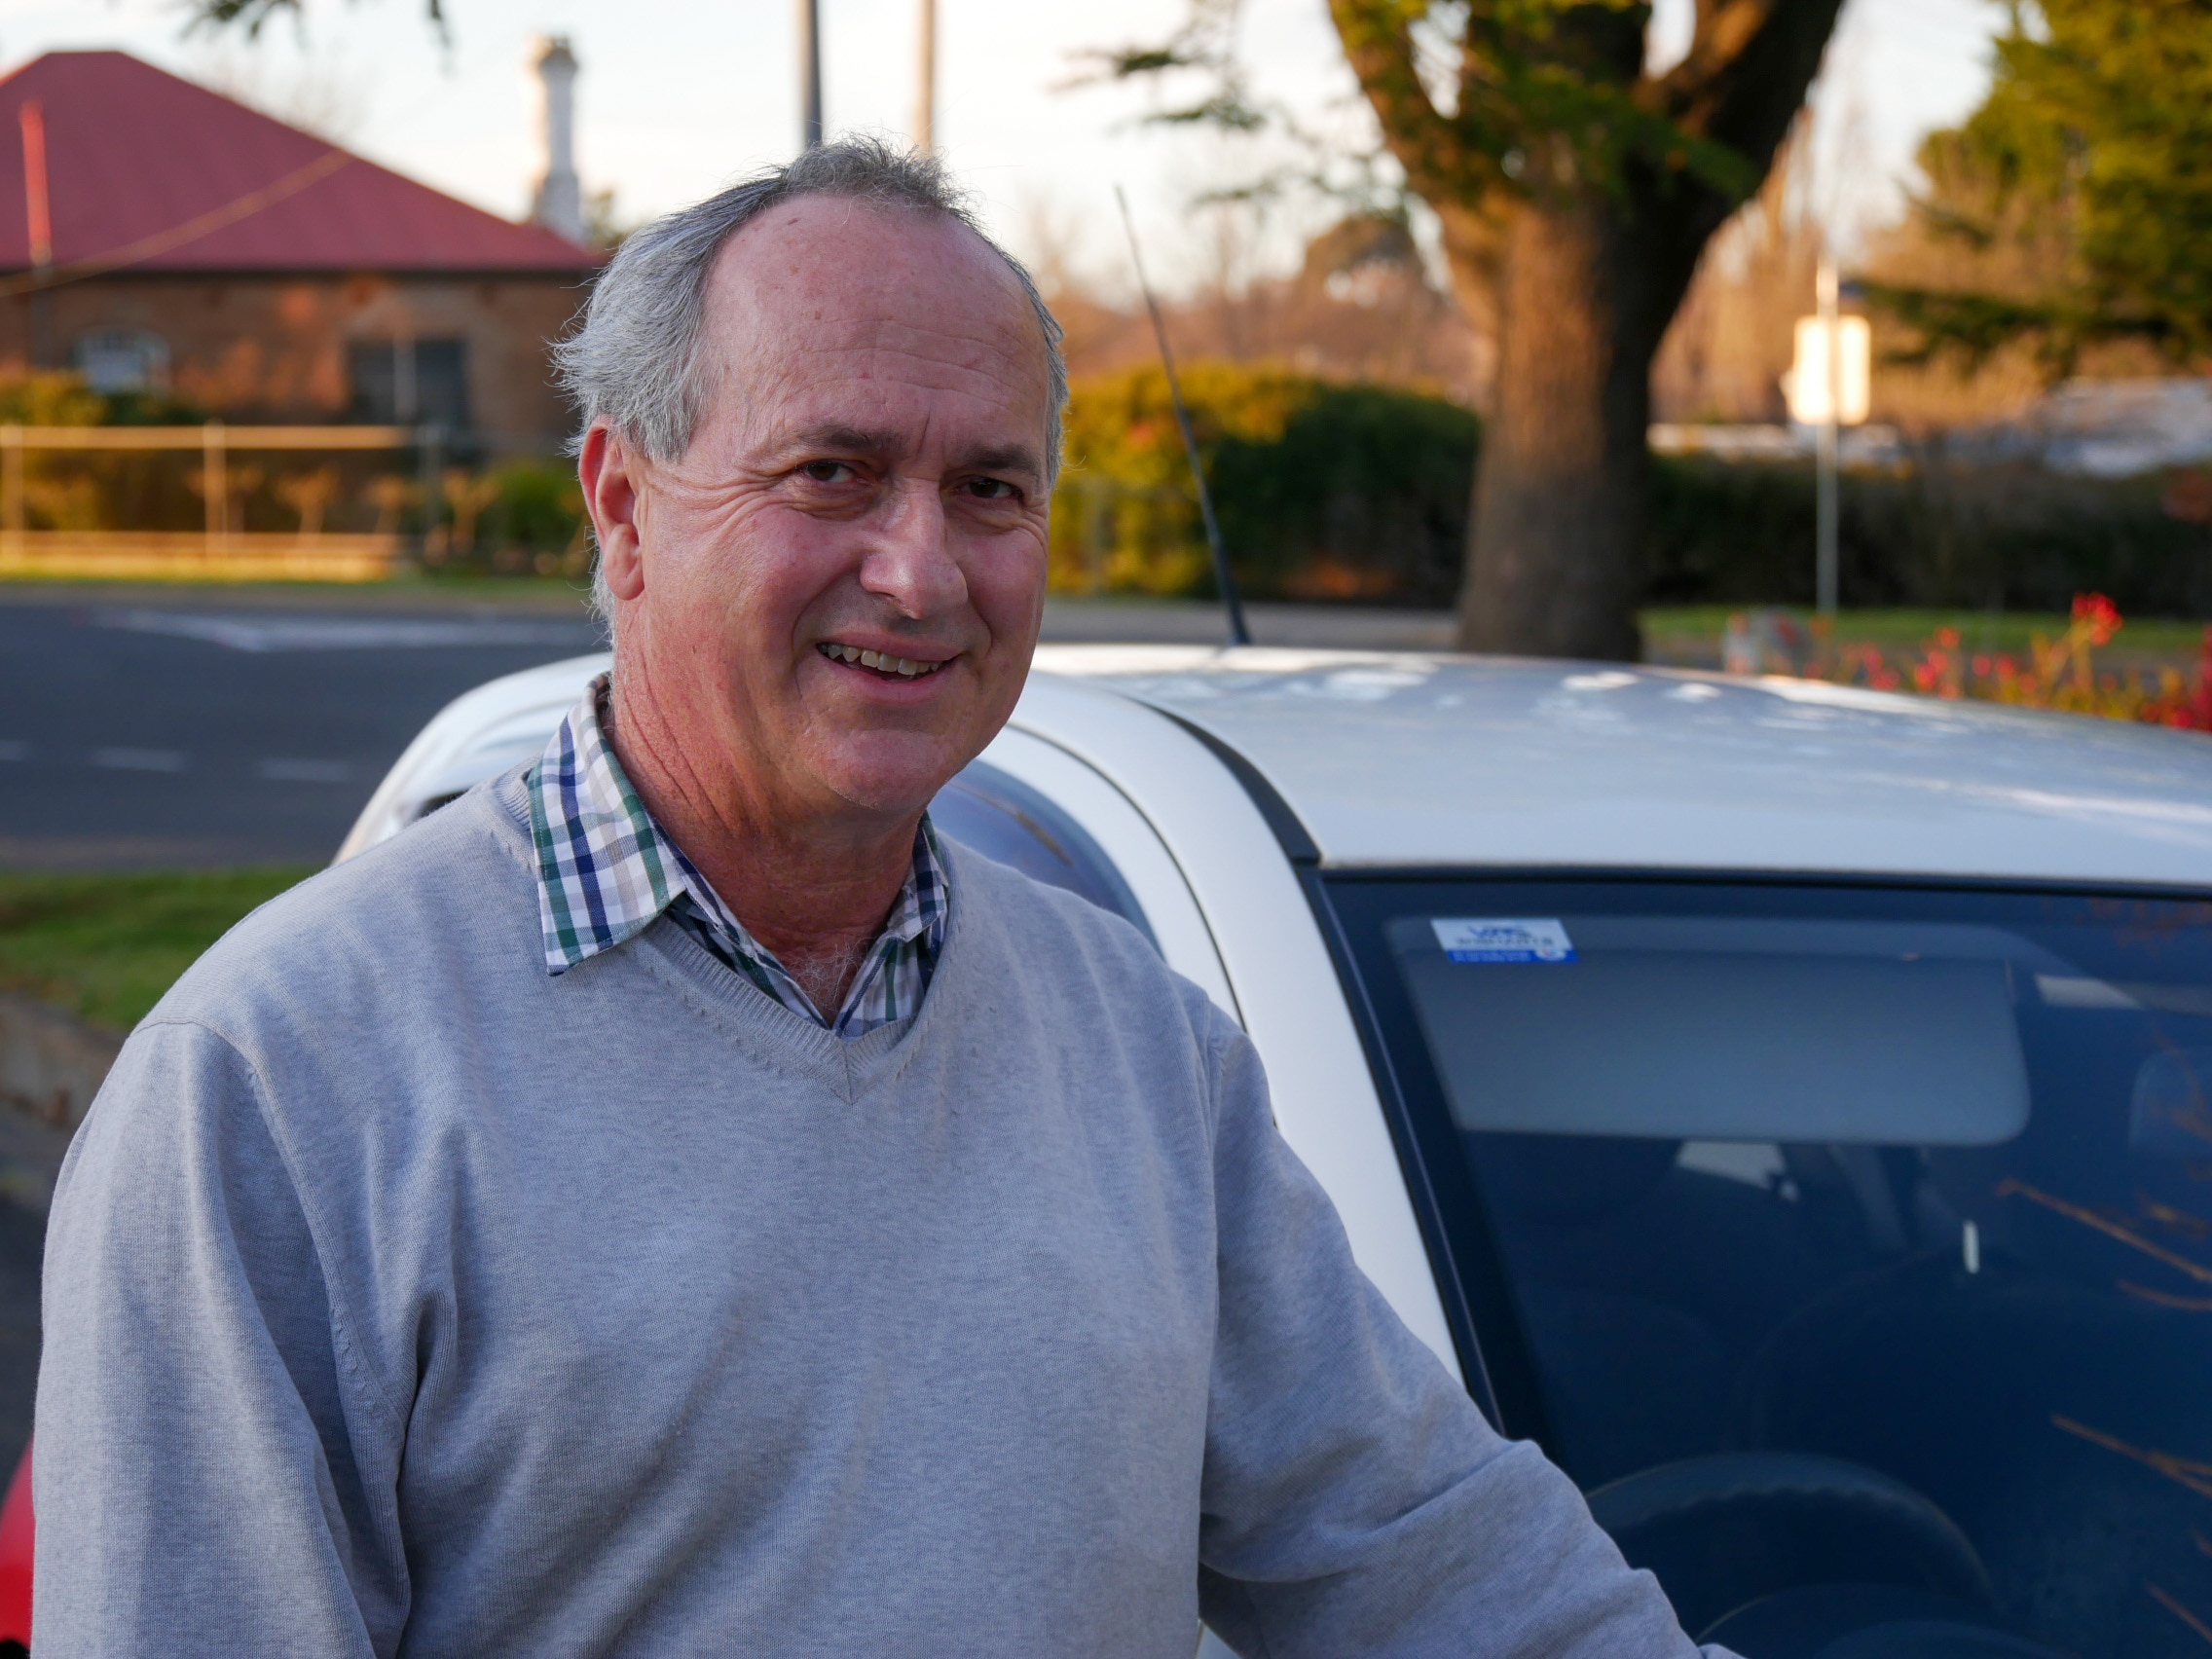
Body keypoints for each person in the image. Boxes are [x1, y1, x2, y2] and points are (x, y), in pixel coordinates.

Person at [35, 140, 1725, 1657]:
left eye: (990, 488)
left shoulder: (1139, 1050)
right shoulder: (275, 1087)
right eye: (831, 473)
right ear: (625, 508)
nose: (921, 574)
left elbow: (1433, 1563)